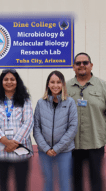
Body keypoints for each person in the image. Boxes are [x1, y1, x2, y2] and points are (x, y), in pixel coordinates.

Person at [66, 52, 106, 191]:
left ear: (91, 65)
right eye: (78, 63)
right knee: (75, 180)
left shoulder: (103, 86)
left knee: (96, 180)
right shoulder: (65, 87)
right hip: (72, 144)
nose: (81, 65)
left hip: (95, 142)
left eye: (85, 63)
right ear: (73, 67)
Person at [0, 69, 33, 191]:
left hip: (21, 151)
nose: (9, 82)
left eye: (12, 79)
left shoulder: (25, 100)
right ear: (1, 82)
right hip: (1, 150)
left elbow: (28, 123)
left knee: (21, 185)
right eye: (6, 79)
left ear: (17, 82)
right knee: (2, 185)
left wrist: (14, 144)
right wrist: (6, 142)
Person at [33, 70, 78, 191]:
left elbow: (73, 128)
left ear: (63, 84)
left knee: (64, 182)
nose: (55, 85)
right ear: (48, 84)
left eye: (58, 82)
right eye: (52, 82)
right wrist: (46, 149)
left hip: (64, 151)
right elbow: (36, 128)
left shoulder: (70, 103)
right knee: (48, 182)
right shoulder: (40, 103)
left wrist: (57, 148)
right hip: (44, 151)